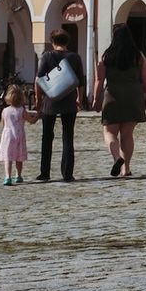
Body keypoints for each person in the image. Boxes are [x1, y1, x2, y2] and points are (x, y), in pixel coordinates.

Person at [96, 24, 146, 177]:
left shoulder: (106, 56)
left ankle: (117, 158)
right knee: (127, 133)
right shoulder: (138, 56)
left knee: (109, 132)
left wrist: (95, 99)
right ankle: (126, 168)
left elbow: (99, 80)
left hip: (112, 95)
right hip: (133, 96)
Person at [34, 28, 87, 182]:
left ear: (52, 41)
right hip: (69, 100)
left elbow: (38, 79)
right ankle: (67, 173)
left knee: (47, 136)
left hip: (50, 99)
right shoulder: (75, 57)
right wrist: (80, 98)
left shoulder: (47, 56)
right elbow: (81, 81)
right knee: (68, 137)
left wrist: (38, 99)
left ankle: (45, 172)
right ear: (67, 41)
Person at [0, 83, 38, 186]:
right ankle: (18, 175)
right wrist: (38, 115)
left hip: (8, 135)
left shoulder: (5, 111)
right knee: (19, 157)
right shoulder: (22, 110)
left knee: (8, 157)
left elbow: (3, 124)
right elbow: (31, 121)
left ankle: (7, 177)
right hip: (19, 135)